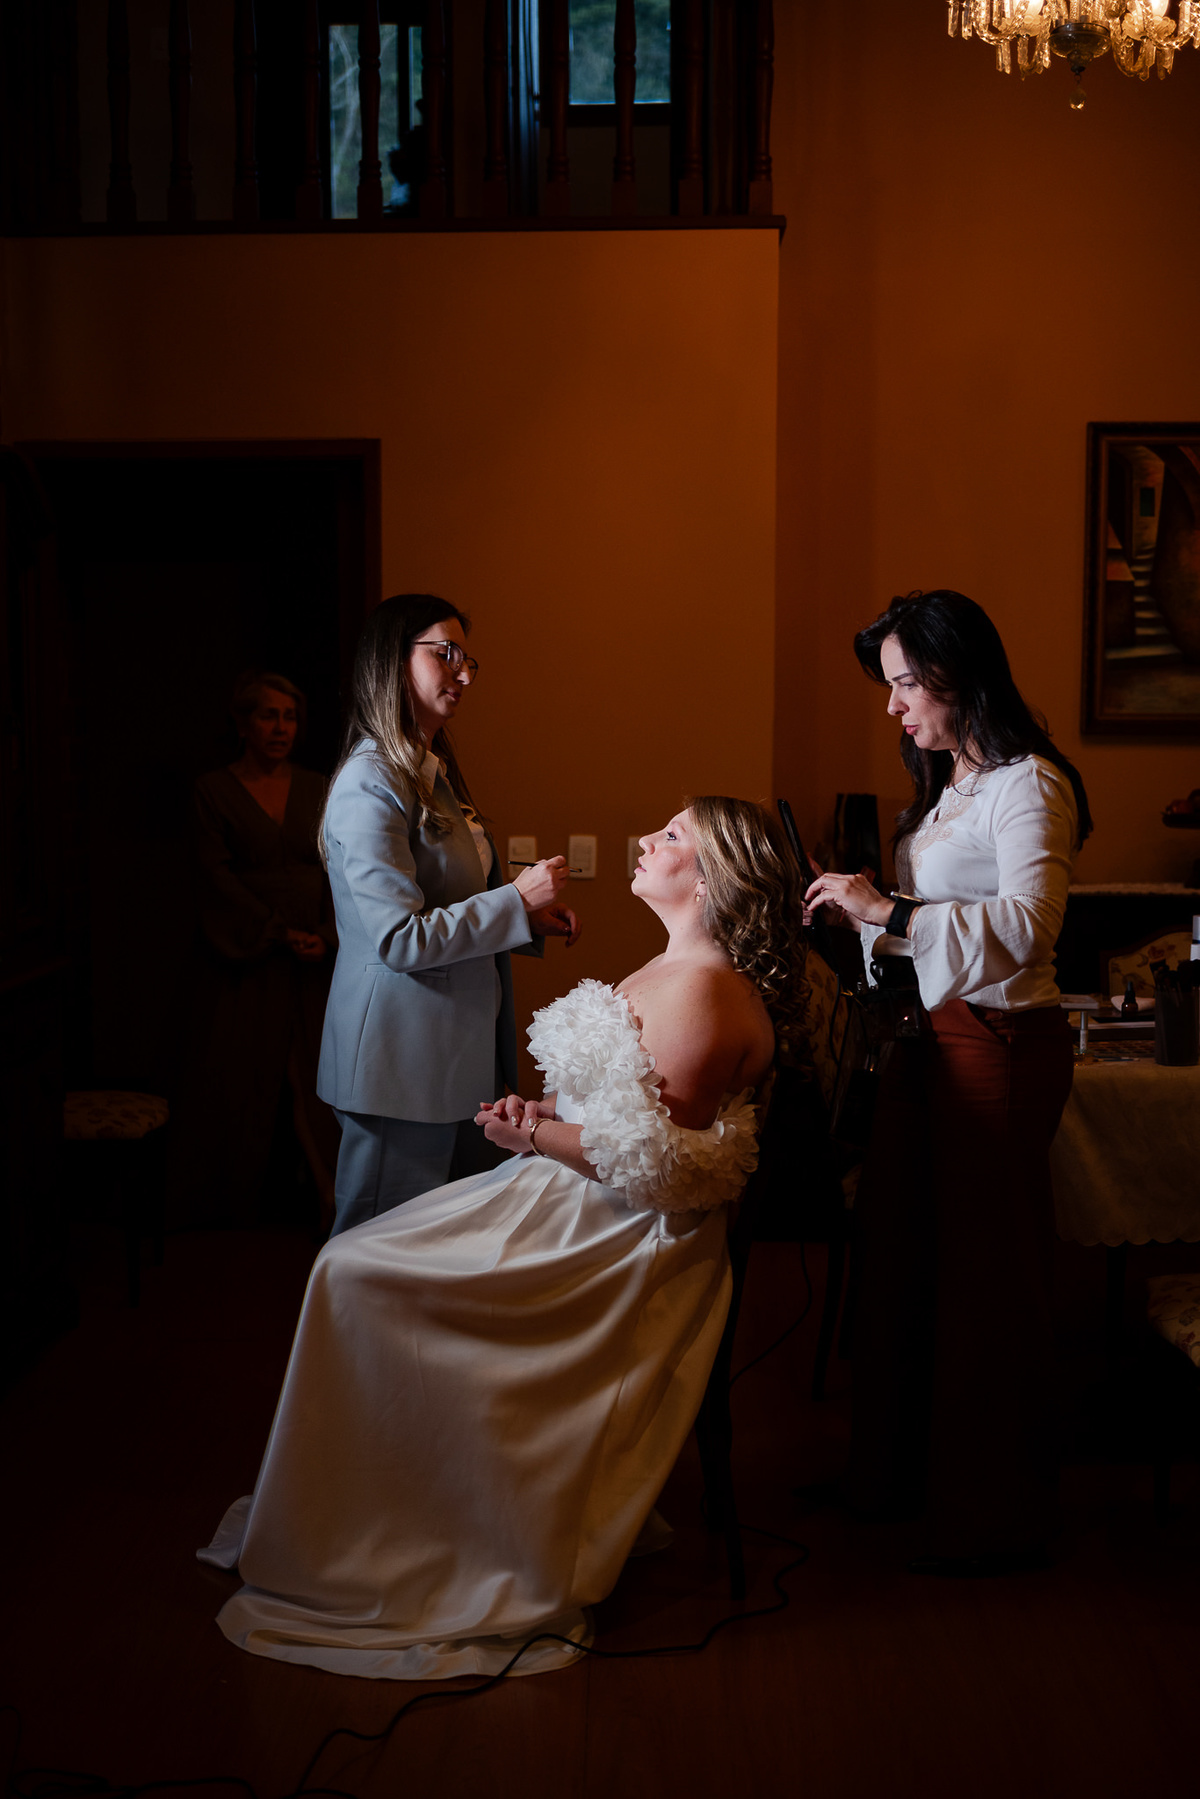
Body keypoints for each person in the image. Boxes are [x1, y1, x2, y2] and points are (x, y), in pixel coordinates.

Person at [199, 797, 805, 1679]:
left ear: (714, 878)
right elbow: (621, 1106)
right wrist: (543, 1111)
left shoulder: (707, 992)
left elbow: (652, 1165)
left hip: (613, 1242)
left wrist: (533, 1136)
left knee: (355, 1272)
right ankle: (371, 1507)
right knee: (349, 1263)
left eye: (673, 835)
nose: (646, 838)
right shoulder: (678, 966)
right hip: (567, 1197)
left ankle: (399, 1524)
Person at [806, 589, 1092, 1576]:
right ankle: (895, 1479)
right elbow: (924, 925)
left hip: (1000, 1043)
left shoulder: (1030, 783)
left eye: (903, 684)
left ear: (955, 674)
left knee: (988, 1276)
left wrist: (888, 909)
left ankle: (994, 1512)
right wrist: (857, 919)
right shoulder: (947, 788)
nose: (892, 706)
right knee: (901, 1254)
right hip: (925, 1040)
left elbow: (1028, 927)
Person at [317, 594, 580, 1236]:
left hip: (459, 1057)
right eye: (446, 653)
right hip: (400, 1065)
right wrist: (515, 900)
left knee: (445, 1252)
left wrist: (525, 922)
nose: (463, 672)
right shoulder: (369, 781)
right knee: (380, 1252)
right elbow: (399, 939)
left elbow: (448, 898)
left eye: (468, 660)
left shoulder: (432, 773)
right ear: (393, 660)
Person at [172, 672, 340, 1229]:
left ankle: (333, 1198)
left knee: (316, 1078)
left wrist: (328, 934)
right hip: (245, 955)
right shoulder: (213, 790)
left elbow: (340, 869)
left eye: (290, 717)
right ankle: (225, 1210)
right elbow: (213, 877)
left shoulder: (318, 787)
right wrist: (274, 932)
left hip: (314, 958)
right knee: (239, 1077)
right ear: (243, 724)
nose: (280, 727)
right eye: (268, 715)